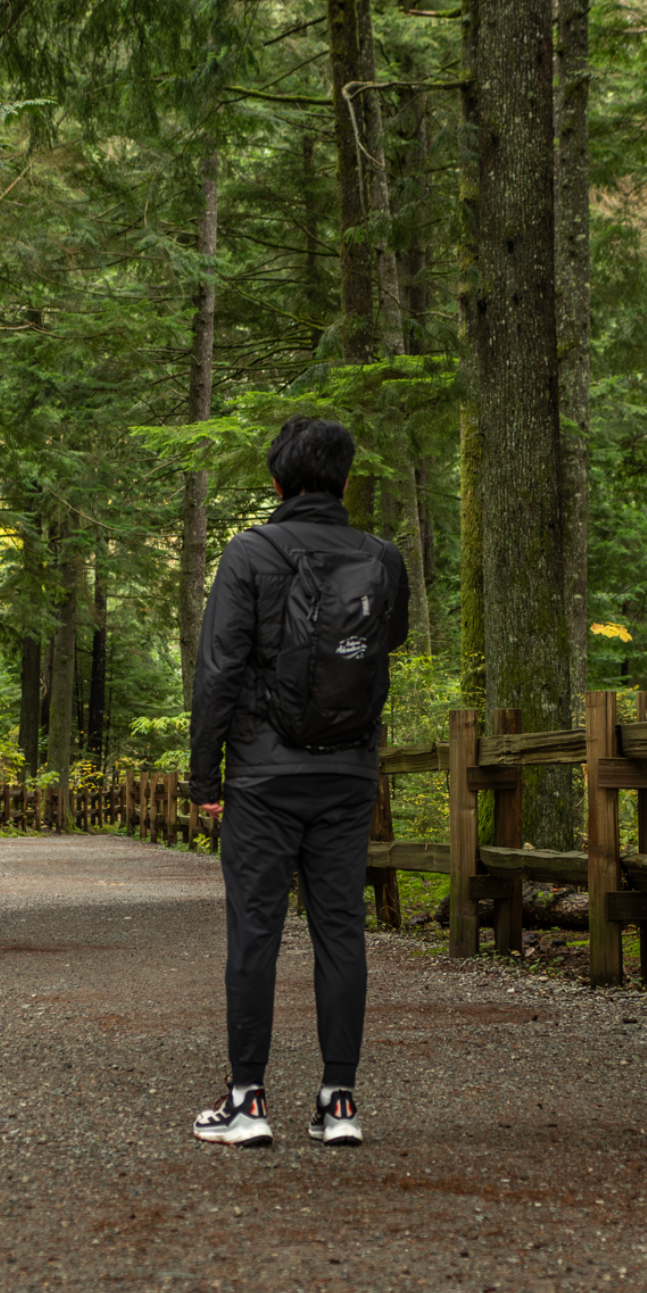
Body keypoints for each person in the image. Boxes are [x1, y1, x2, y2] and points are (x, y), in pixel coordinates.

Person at [186, 416, 410, 1147]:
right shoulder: (383, 557)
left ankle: (247, 1101)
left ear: (276, 481)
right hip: (348, 774)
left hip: (262, 776)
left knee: (255, 932)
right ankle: (339, 1100)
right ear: (346, 481)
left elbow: (219, 669)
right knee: (341, 931)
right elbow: (389, 641)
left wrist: (203, 775)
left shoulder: (251, 553)